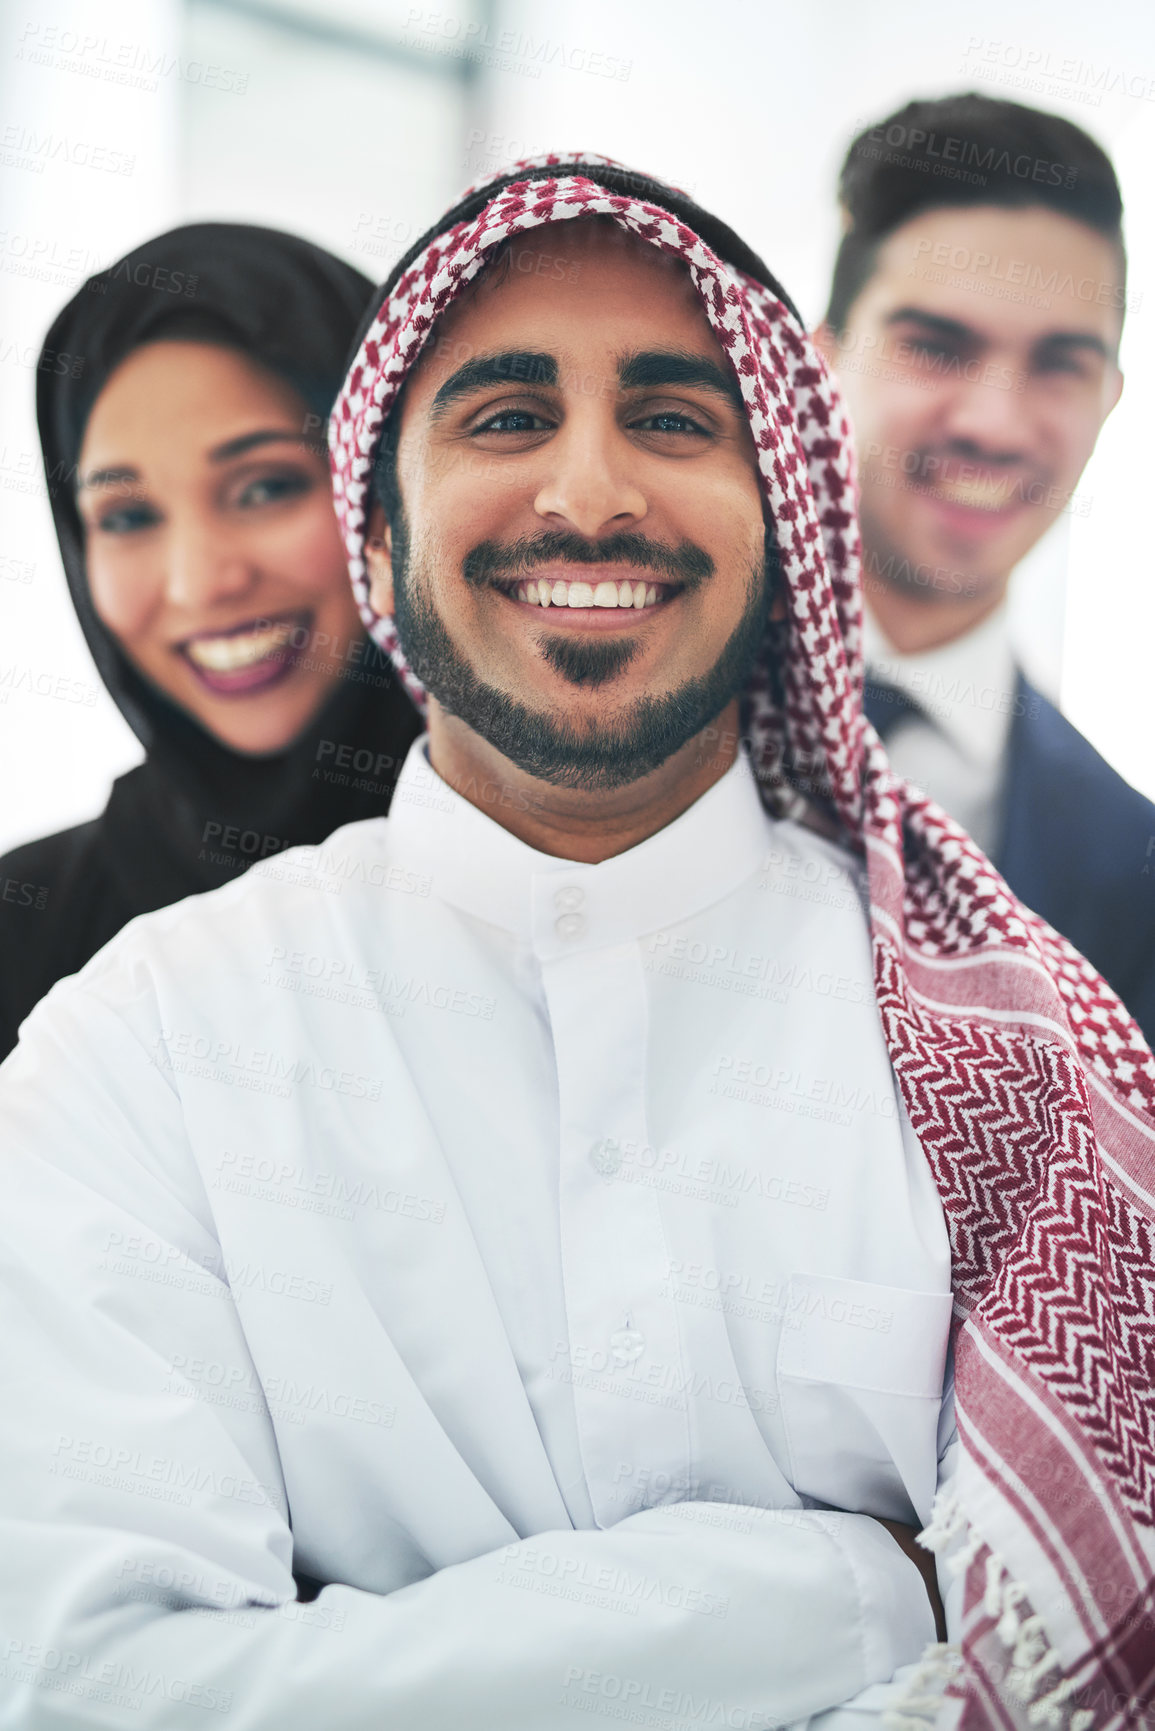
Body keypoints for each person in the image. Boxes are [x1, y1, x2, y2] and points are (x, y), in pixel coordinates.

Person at [0, 156, 1151, 1729]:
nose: (589, 491)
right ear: (379, 521)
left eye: (674, 419)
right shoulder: (135, 1052)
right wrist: (865, 1586)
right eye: (503, 416)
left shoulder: (1006, 1053)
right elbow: (99, 1692)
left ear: (786, 512)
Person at [0, 223, 421, 1058]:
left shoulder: (558, 881)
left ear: (392, 488)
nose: (199, 583)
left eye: (265, 486)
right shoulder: (25, 927)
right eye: (127, 516)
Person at [815, 91, 1155, 1045]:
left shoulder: (1132, 868)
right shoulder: (615, 689)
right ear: (822, 362)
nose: (995, 423)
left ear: (1109, 399)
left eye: (1059, 364)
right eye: (934, 346)